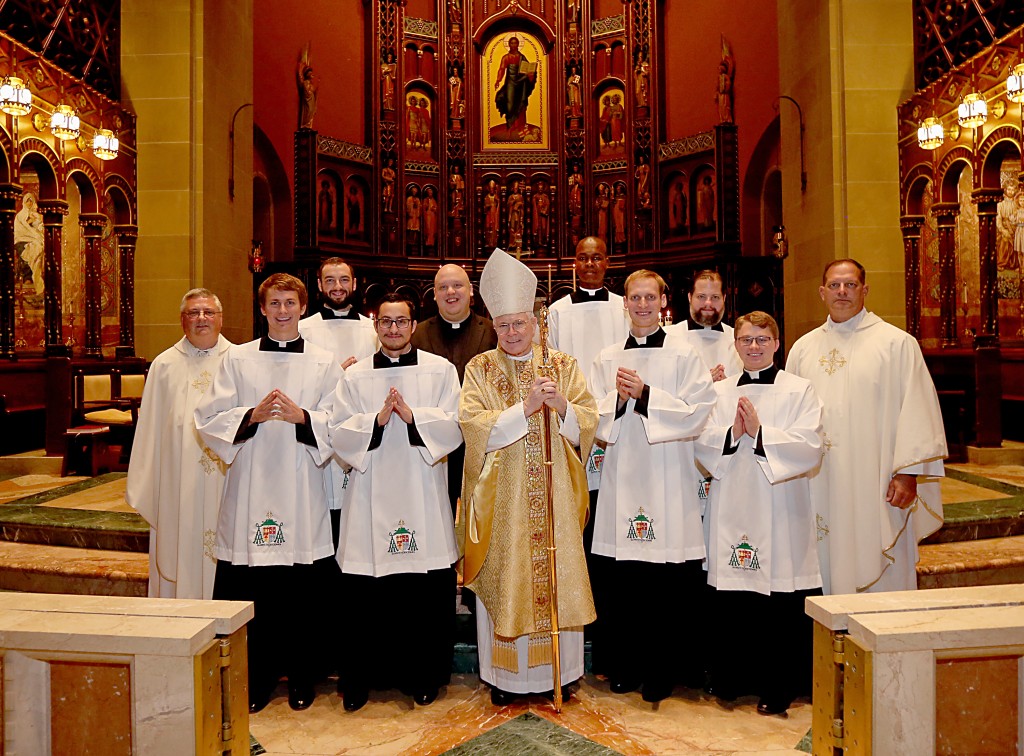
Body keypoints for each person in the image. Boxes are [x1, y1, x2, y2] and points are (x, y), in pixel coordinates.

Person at [195, 273, 342, 714]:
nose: (282, 311)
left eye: (290, 303)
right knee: (253, 590)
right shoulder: (237, 360)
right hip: (252, 487)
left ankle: (302, 678)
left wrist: (305, 418)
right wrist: (249, 416)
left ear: (302, 307)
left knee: (301, 592)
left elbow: (340, 419)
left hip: (301, 486)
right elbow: (209, 417)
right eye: (274, 303)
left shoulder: (324, 361)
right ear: (263, 309)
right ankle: (254, 680)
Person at [460, 248, 597, 706]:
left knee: (558, 576)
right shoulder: (479, 369)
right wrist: (525, 410)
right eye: (503, 325)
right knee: (509, 576)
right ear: (493, 325)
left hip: (555, 497)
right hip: (503, 501)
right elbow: (473, 427)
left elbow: (589, 420)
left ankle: (564, 670)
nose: (512, 332)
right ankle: (506, 678)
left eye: (520, 323)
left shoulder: (562, 366)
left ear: (535, 322)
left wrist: (560, 407)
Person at [330, 293, 462, 712]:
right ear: (376, 326)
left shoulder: (439, 370)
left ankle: (422, 675)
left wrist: (412, 417)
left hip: (421, 489)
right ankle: (361, 679)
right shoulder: (353, 377)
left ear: (412, 325)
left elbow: (455, 425)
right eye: (385, 322)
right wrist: (377, 420)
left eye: (401, 322)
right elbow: (338, 431)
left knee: (421, 593)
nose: (393, 329)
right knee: (366, 593)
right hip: (369, 493)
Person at [590, 269, 715, 702]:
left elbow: (699, 412)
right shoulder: (606, 358)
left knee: (665, 583)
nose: (642, 305)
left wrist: (644, 395)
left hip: (668, 478)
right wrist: (620, 401)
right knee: (626, 581)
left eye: (649, 297)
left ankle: (663, 670)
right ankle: (626, 665)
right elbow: (592, 419)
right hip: (622, 476)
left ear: (664, 301)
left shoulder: (684, 356)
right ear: (624, 303)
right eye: (634, 298)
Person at [786, 259, 946, 594]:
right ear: (821, 292)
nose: (842, 292)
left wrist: (908, 473)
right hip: (818, 480)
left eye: (850, 285)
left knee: (877, 558)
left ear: (865, 290)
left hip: (876, 481)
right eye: (834, 285)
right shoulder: (802, 349)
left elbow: (917, 410)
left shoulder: (897, 344)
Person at [695, 311, 823, 714]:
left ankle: (778, 686)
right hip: (732, 499)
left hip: (780, 504)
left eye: (761, 340)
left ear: (776, 343)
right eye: (746, 340)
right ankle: (732, 678)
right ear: (735, 345)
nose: (754, 347)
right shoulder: (717, 392)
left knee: (779, 601)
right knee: (734, 595)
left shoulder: (799, 389)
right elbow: (700, 442)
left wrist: (762, 433)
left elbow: (810, 445)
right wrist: (733, 433)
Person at [126, 288, 232, 600]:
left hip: (226, 480)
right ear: (182, 320)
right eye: (193, 313)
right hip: (177, 478)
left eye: (208, 312)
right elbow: (150, 431)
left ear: (220, 319)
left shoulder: (238, 360)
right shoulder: (164, 365)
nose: (201, 318)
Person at [298, 258, 378, 546]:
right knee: (324, 522)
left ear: (354, 284)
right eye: (329, 280)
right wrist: (337, 376)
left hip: (360, 434)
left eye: (343, 279)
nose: (337, 287)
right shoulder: (303, 330)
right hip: (320, 436)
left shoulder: (374, 330)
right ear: (319, 285)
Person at [412, 264, 498, 515]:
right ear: (435, 294)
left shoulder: (494, 331)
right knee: (436, 513)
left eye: (457, 285)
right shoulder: (417, 336)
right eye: (443, 287)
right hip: (435, 444)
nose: (451, 292)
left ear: (471, 291)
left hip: (482, 441)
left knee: (482, 514)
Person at [666, 269, 743, 382]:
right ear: (689, 297)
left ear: (724, 298)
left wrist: (727, 386)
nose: (708, 303)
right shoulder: (670, 336)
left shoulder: (737, 339)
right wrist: (702, 384)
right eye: (701, 297)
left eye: (715, 297)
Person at [493, 36, 536, 136]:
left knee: (521, 103)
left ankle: (520, 126)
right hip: (510, 83)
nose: (513, 45)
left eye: (515, 43)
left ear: (518, 45)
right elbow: (501, 69)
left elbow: (527, 68)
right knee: (510, 104)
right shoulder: (506, 57)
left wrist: (530, 74)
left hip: (521, 82)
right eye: (511, 43)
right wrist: (498, 80)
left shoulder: (522, 57)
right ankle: (511, 126)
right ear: (509, 44)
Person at [483, 180, 500, 247]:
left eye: (493, 189)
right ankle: (488, 242)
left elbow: (498, 206)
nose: (491, 190)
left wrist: (498, 202)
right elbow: (484, 207)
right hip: (489, 214)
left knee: (494, 228)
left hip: (494, 215)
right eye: (491, 189)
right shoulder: (487, 197)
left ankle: (494, 242)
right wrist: (488, 206)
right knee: (488, 228)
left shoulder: (496, 197)